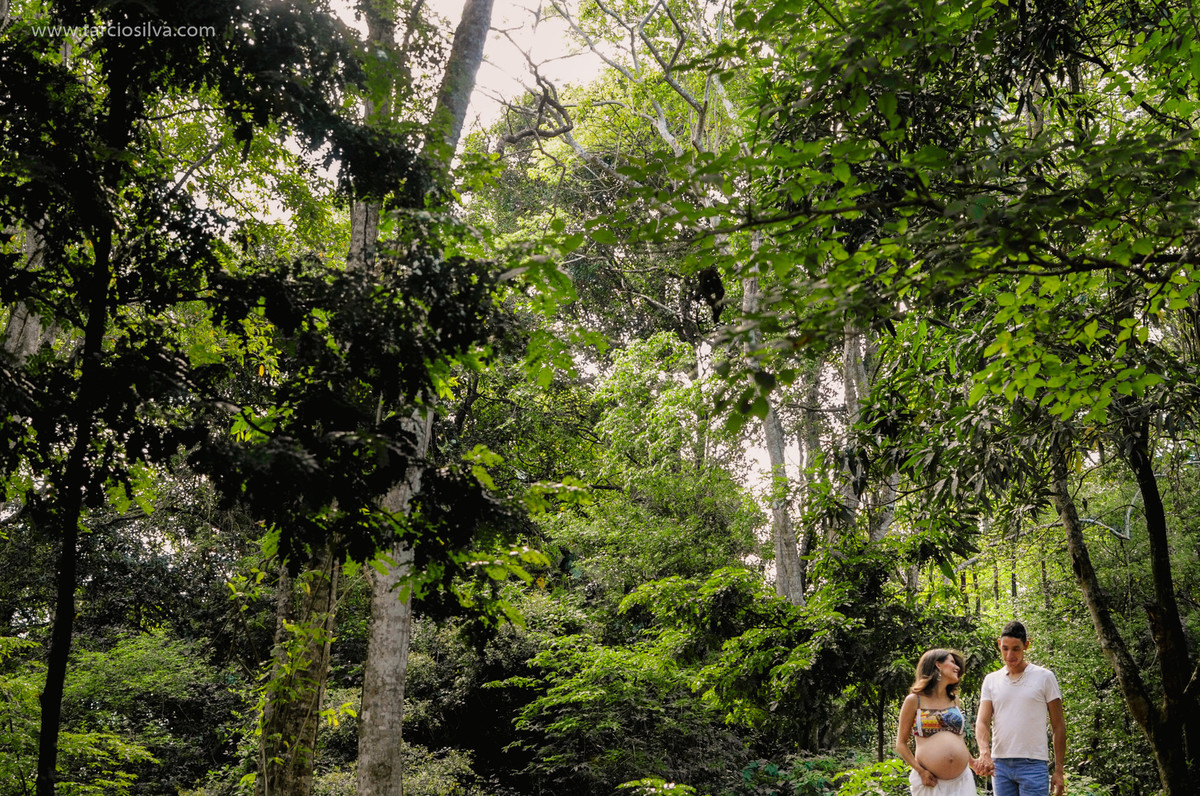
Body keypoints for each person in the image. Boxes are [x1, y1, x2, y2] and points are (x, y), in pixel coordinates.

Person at [974, 621, 1066, 796]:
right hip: (1000, 765)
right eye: (1005, 648)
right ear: (999, 645)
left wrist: (1059, 771)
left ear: (1026, 645)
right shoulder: (991, 680)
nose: (1010, 655)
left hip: (1033, 764)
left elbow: (1058, 725)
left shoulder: (1045, 677)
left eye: (1016, 649)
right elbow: (982, 721)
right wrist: (984, 752)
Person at [895, 648, 980, 795]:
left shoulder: (954, 701)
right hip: (931, 783)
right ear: (938, 665)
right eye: (952, 662)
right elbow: (901, 744)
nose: (958, 668)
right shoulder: (915, 700)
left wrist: (972, 762)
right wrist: (921, 771)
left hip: (962, 781)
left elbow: (958, 739)